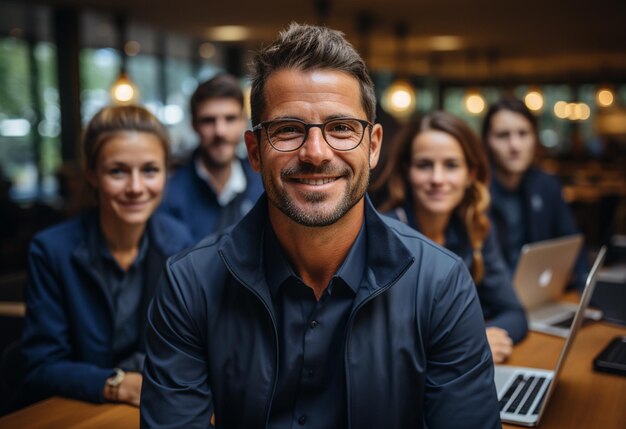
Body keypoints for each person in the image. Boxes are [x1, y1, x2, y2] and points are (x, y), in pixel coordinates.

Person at [140, 23, 500, 428]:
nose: (315, 153)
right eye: (288, 130)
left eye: (342, 128)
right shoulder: (189, 284)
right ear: (255, 152)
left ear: (374, 146)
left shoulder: (441, 284)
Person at [18, 105, 194, 408]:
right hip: (75, 410)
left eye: (150, 170)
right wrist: (118, 384)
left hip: (151, 408)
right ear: (92, 175)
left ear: (167, 173)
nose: (136, 188)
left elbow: (186, 347)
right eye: (117, 171)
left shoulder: (179, 241)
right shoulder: (50, 250)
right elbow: (42, 366)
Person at [372, 111, 528, 363]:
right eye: (424, 165)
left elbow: (514, 313)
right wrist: (470, 344)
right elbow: (378, 343)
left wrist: (480, 340)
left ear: (470, 174)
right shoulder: (384, 234)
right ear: (407, 171)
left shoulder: (474, 229)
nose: (437, 179)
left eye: (451, 165)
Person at [481, 97, 588, 291]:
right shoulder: (477, 192)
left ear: (534, 138)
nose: (515, 145)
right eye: (503, 135)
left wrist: (584, 290)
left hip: (541, 294)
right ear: (487, 141)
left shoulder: (547, 185)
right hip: (492, 304)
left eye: (523, 134)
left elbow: (573, 245)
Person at [158, 73, 264, 241]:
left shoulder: (263, 187)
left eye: (230, 119)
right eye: (208, 120)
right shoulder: (168, 194)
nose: (220, 131)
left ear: (243, 122)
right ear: (194, 125)